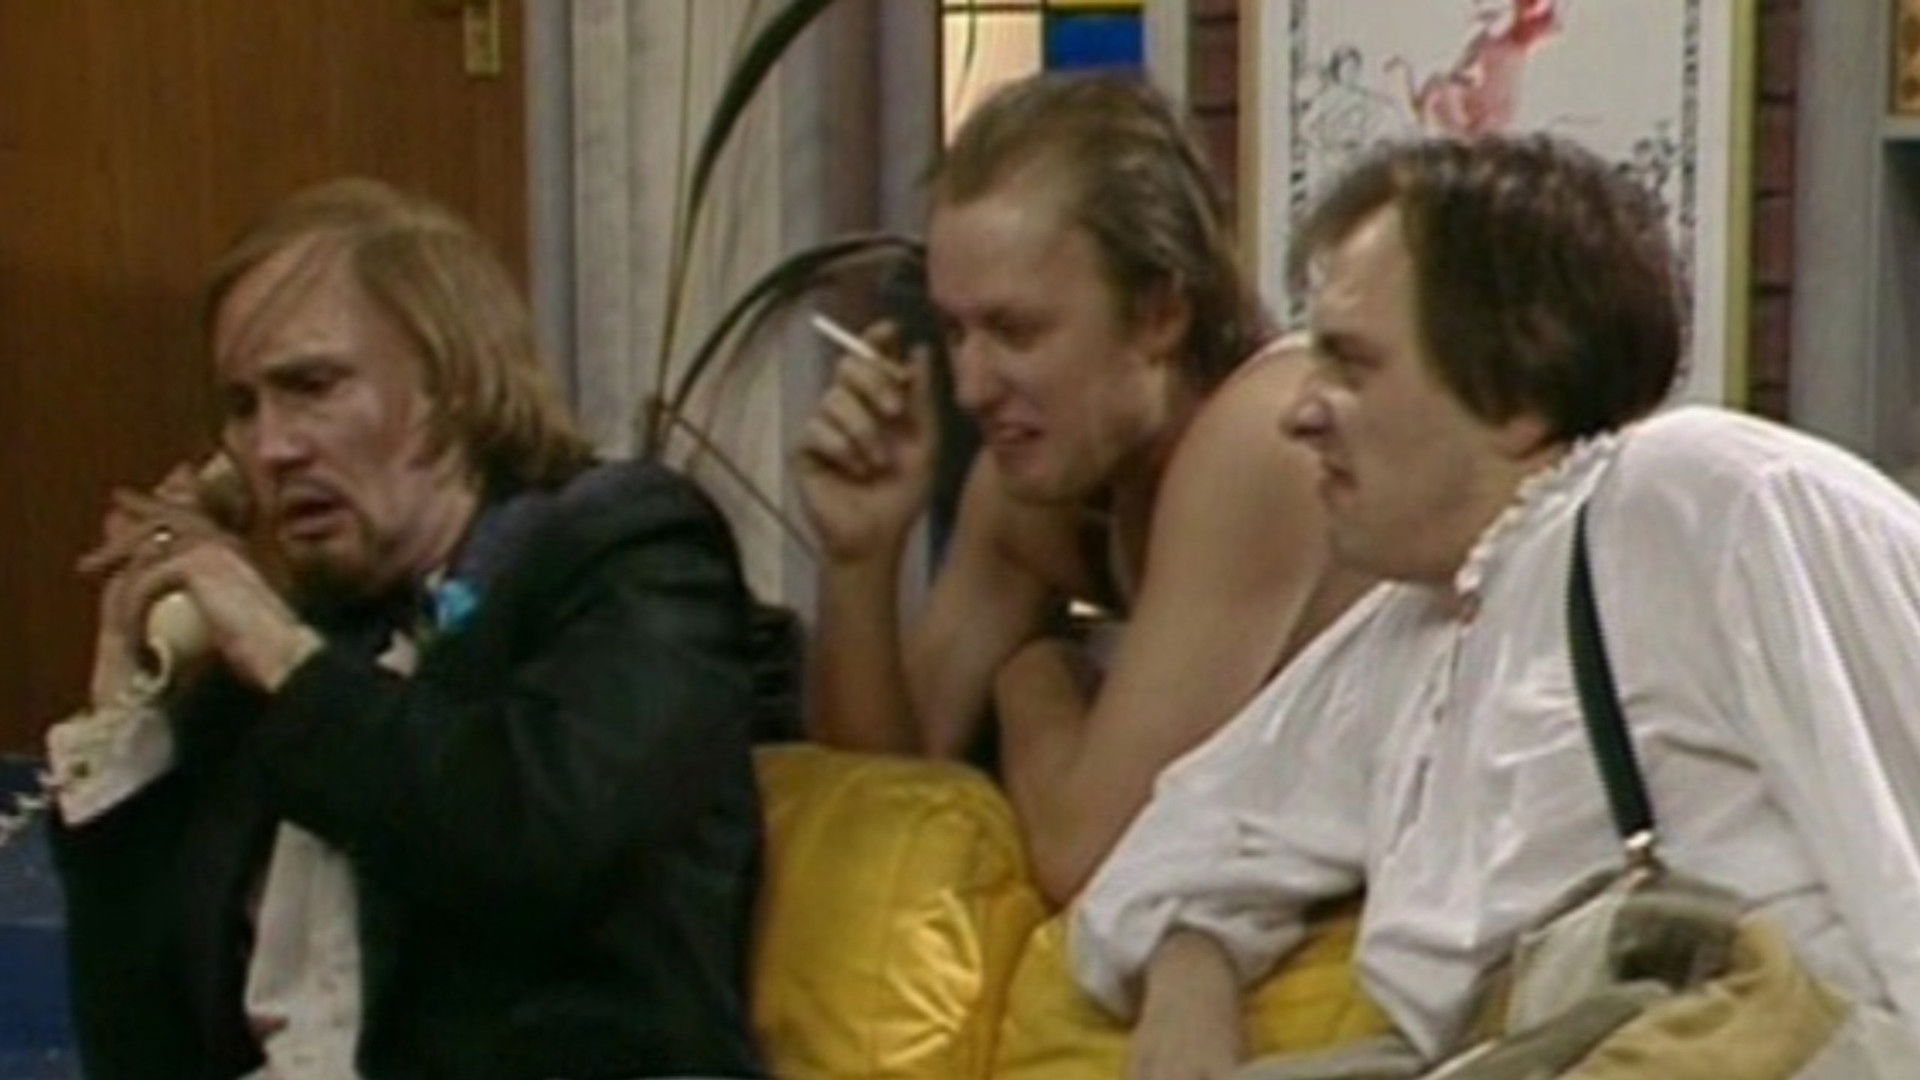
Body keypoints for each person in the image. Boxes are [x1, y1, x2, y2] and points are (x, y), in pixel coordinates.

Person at [1072, 133, 1920, 1078]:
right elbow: (1177, 850)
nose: (1299, 412)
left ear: (1516, 388)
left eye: (1351, 366)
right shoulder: (1423, 621)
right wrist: (1191, 981)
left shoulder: (1705, 501)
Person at [47, 179, 768, 1080]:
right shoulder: (285, 658)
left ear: (452, 386)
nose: (270, 449)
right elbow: (143, 1055)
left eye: (311, 387)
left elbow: (541, 837)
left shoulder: (629, 552)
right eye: (242, 407)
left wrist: (286, 661)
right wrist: (124, 718)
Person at [794, 73, 1371, 905]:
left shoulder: (1269, 434)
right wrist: (861, 557)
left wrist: (1034, 678)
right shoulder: (1033, 490)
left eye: (1016, 331)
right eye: (954, 331)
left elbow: (1089, 859)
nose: (970, 387)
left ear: (1160, 314)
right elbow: (883, 809)